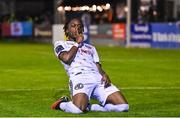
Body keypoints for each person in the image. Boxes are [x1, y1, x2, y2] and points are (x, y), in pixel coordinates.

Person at [51, 18, 129, 114]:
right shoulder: (61, 44)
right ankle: (61, 104)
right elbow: (67, 59)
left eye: (79, 26)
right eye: (73, 26)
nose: (77, 28)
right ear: (67, 30)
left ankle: (90, 107)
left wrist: (104, 74)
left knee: (123, 106)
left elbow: (97, 65)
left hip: (98, 78)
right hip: (79, 77)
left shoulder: (91, 48)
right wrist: (77, 43)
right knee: (77, 110)